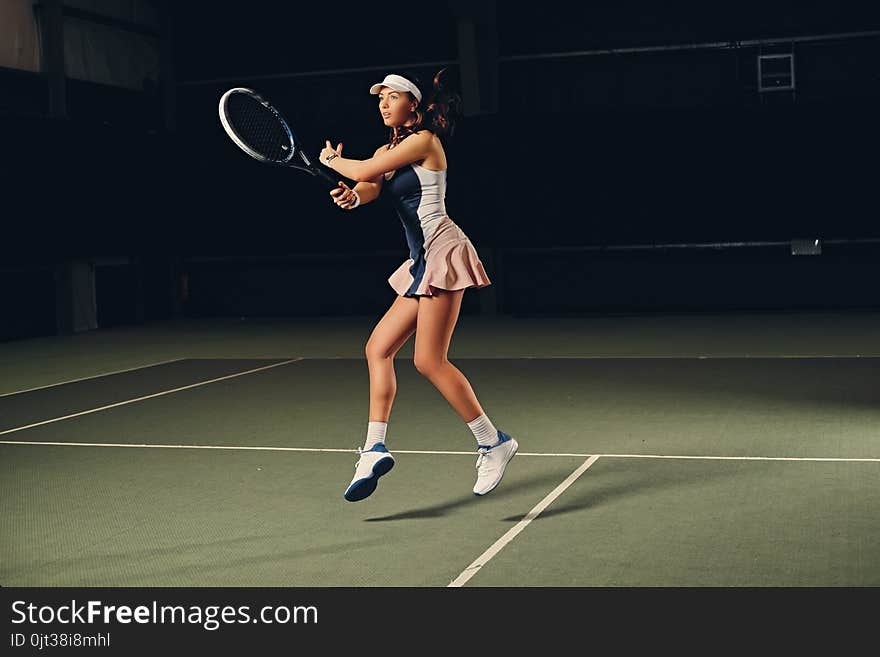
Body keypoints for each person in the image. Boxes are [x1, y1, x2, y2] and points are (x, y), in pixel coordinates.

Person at [318, 70, 518, 502]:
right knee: (378, 348)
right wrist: (354, 196)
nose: (383, 105)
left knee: (429, 360)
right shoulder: (387, 149)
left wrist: (334, 162)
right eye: (379, 100)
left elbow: (367, 169)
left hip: (443, 252)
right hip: (420, 261)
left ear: (415, 104)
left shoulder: (425, 141)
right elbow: (371, 182)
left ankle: (493, 441)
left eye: (392, 97)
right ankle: (373, 448)